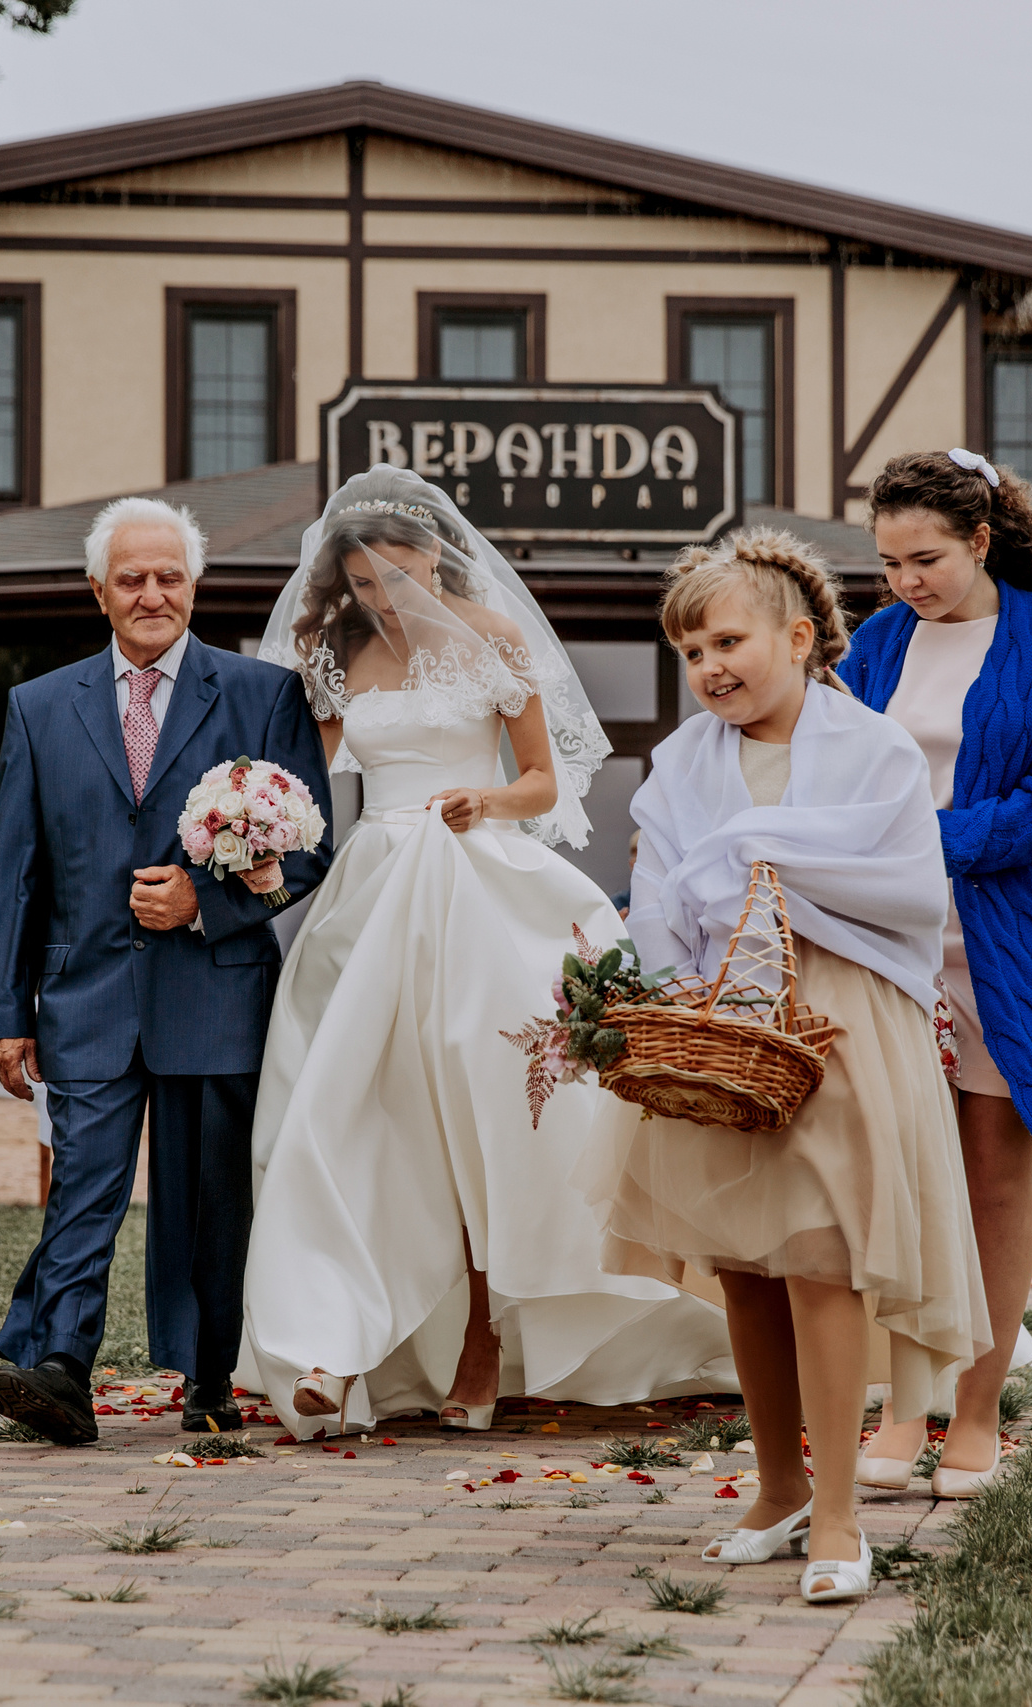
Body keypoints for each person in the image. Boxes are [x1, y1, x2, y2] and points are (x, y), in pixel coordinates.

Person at [239, 467, 735, 1441]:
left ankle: (481, 1339)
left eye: (401, 573)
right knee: (347, 1115)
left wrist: (485, 800)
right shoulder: (337, 653)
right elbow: (299, 783)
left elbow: (545, 783)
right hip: (371, 893)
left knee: (484, 1123)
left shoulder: (496, 639)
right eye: (367, 582)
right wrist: (260, 833)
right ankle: (332, 1344)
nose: (388, 597)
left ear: (434, 554)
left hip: (473, 882)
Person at [580, 528, 987, 1605]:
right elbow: (659, 885)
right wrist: (674, 991)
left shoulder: (874, 750)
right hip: (726, 1020)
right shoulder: (681, 763)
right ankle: (776, 1487)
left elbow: (906, 886)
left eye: (728, 641)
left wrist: (761, 849)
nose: (710, 667)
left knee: (819, 1256)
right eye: (691, 653)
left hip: (836, 1013)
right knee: (743, 1262)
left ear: (798, 637)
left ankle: (843, 1514)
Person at [0, 496, 335, 1447]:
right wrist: (6, 1012)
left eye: (168, 576)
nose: (151, 593)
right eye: (131, 578)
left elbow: (310, 851)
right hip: (86, 995)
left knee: (213, 1195)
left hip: (215, 987)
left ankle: (210, 1375)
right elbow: (16, 874)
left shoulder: (263, 694)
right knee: (84, 1182)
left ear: (194, 586)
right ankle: (61, 1367)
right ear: (100, 592)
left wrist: (206, 902)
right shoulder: (39, 706)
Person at [842, 449, 1032, 1497]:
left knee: (992, 1184)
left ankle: (977, 1412)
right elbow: (833, 770)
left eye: (925, 559)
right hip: (884, 939)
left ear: (979, 539)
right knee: (904, 1184)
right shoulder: (875, 642)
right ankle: (902, 1410)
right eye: (888, 563)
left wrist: (928, 837)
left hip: (1007, 941)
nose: (907, 582)